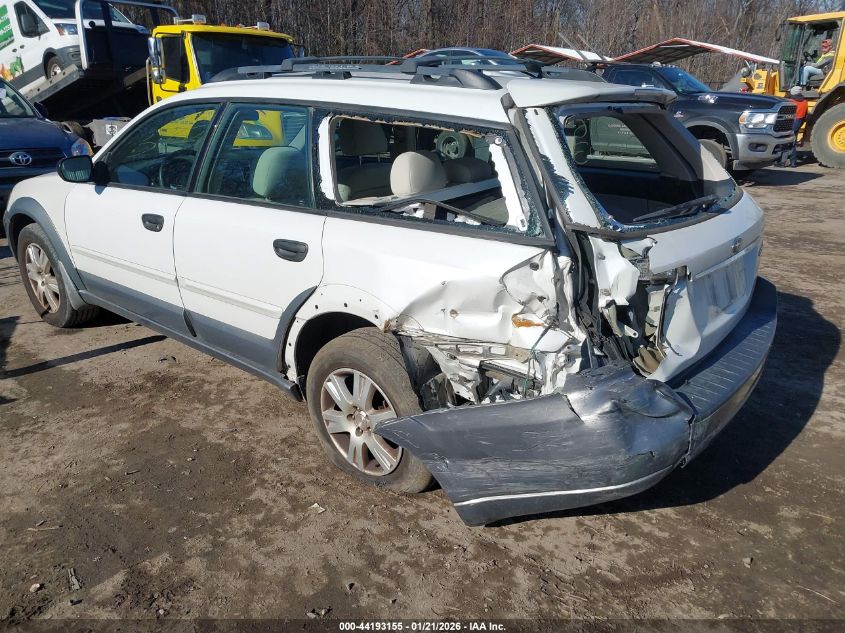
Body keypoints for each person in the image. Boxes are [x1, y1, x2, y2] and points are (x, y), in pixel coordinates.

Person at [781, 85, 808, 167]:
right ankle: (792, 162)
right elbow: (805, 116)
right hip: (798, 122)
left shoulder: (791, 102)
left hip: (790, 123)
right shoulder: (805, 102)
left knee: (786, 142)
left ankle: (784, 162)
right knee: (793, 142)